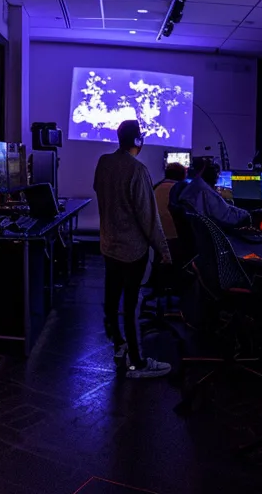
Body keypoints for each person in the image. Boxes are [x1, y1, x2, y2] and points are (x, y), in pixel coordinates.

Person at [91, 120, 172, 378]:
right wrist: (163, 250)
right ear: (138, 141)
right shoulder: (138, 170)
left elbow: (100, 191)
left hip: (108, 245)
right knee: (131, 305)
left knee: (112, 300)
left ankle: (119, 345)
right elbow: (149, 217)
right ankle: (137, 363)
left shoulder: (104, 163)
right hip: (132, 250)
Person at [173, 159, 251, 230]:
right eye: (217, 173)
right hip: (212, 237)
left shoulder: (193, 186)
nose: (218, 177)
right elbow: (227, 216)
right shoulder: (204, 190)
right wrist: (248, 214)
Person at [153, 162, 186, 243]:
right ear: (182, 175)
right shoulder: (181, 188)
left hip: (157, 234)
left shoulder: (155, 187)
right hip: (177, 235)